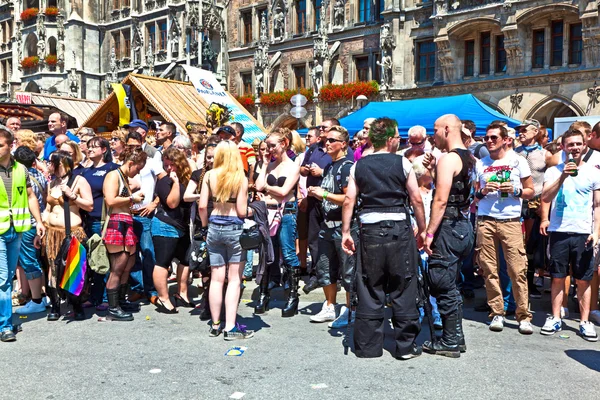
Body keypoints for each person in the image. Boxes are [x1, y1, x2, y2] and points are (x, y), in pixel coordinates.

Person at [341, 117, 426, 360]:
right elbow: (416, 199)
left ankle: (368, 346)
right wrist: (422, 230)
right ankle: (406, 346)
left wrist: (346, 233)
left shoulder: (359, 166)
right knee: (404, 284)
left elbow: (349, 200)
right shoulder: (403, 163)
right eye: (398, 137)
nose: (399, 140)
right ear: (389, 140)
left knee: (369, 285)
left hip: (369, 229)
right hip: (398, 227)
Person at [420, 114, 476, 358]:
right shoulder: (469, 156)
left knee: (442, 281)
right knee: (450, 282)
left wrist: (429, 233)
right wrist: (433, 171)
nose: (433, 136)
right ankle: (456, 336)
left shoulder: (449, 158)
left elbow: (441, 200)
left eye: (435, 130)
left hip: (449, 225)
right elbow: (455, 190)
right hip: (462, 225)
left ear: (446, 129)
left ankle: (450, 340)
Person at [472, 122, 534, 334]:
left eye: (493, 138)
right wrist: (482, 192)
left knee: (517, 269)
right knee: (489, 269)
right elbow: (475, 196)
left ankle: (523, 315)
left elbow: (531, 191)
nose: (489, 141)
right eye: (486, 138)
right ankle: (497, 312)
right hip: (486, 220)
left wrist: (516, 190)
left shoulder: (518, 161)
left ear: (506, 139)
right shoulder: (480, 163)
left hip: (510, 221)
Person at [540, 129, 600, 341]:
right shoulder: (553, 171)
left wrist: (596, 232)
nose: (574, 148)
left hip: (583, 233)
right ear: (563, 147)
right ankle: (556, 317)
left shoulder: (594, 171)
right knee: (557, 277)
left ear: (584, 146)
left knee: (583, 279)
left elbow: (597, 205)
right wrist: (564, 175)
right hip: (559, 231)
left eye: (578, 144)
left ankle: (584, 322)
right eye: (570, 144)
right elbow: (545, 197)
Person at [199, 140, 253, 339]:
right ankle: (230, 327)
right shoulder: (241, 177)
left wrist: (205, 226)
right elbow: (241, 210)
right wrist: (252, 210)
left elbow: (203, 206)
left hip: (214, 226)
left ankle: (215, 324)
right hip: (234, 228)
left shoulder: (209, 176)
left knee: (216, 278)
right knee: (234, 279)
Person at [307, 125, 357, 329]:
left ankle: (348, 309)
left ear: (343, 144)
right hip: (327, 226)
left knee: (347, 271)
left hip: (343, 227)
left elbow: (349, 198)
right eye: (325, 140)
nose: (326, 144)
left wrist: (324, 194)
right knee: (325, 267)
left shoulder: (347, 167)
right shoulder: (329, 166)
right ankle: (329, 306)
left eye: (331, 141)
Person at [0, 130, 46, 342]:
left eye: (0, 145)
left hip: (17, 230)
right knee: (3, 280)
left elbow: (30, 196)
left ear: (11, 146)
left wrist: (39, 222)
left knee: (8, 277)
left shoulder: (22, 170)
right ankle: (6, 325)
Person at [255, 128, 301, 317]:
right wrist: (265, 164)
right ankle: (264, 294)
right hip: (268, 213)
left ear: (284, 144)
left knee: (288, 253)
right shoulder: (269, 165)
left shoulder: (293, 166)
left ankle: (292, 296)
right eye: (267, 146)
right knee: (267, 253)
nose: (269, 149)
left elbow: (284, 192)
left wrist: (267, 188)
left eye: (273, 146)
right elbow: (257, 186)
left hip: (286, 212)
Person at [44, 151, 94, 321]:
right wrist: (41, 223)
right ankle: (55, 305)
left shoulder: (79, 181)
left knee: (73, 270)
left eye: (52, 162)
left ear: (62, 163)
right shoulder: (51, 183)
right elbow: (48, 208)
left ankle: (76, 305)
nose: (49, 166)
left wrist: (74, 196)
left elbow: (89, 206)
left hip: (71, 232)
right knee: (52, 268)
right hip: (52, 232)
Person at [102, 147, 147, 321]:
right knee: (118, 266)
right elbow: (111, 200)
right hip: (116, 223)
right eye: (138, 168)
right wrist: (132, 199)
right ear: (131, 163)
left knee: (129, 262)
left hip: (125, 222)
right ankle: (112, 308)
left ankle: (120, 300)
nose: (138, 173)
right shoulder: (113, 175)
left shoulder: (124, 177)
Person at [151, 147, 193, 313]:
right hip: (165, 225)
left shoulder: (188, 179)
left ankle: (182, 294)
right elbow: (172, 203)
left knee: (185, 259)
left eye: (172, 165)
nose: (168, 169)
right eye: (166, 165)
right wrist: (175, 182)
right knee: (163, 262)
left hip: (182, 226)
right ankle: (163, 298)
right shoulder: (164, 182)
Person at [79, 137, 118, 310]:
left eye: (95, 146)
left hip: (104, 219)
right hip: (88, 220)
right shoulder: (84, 172)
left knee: (103, 258)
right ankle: (94, 296)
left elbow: (131, 185)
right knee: (92, 260)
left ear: (104, 150)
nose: (90, 149)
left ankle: (104, 297)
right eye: (88, 147)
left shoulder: (112, 168)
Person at [126, 132, 164, 304]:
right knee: (131, 254)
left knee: (148, 253)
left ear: (142, 143)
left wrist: (154, 203)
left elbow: (164, 183)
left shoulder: (151, 162)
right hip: (128, 213)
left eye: (135, 145)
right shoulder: (124, 164)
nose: (132, 148)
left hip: (145, 213)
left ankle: (151, 289)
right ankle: (137, 288)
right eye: (129, 145)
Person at [515, 118, 551, 299]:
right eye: (519, 130)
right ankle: (518, 283)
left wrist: (544, 201)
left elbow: (551, 179)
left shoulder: (545, 154)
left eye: (524, 130)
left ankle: (530, 283)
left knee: (531, 244)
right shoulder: (515, 153)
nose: (520, 133)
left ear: (535, 132)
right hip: (517, 202)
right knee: (517, 243)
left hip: (536, 204)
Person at [184, 136, 217, 320]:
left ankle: (215, 303)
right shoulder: (199, 174)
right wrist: (201, 195)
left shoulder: (224, 175)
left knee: (218, 265)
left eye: (213, 157)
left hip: (219, 222)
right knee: (203, 264)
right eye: (208, 157)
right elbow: (186, 195)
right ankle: (206, 301)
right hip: (201, 222)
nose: (210, 160)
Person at [13, 147, 48, 316]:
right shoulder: (40, 176)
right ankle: (41, 295)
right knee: (37, 260)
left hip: (27, 223)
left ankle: (36, 301)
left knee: (28, 261)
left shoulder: (22, 178)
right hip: (39, 221)